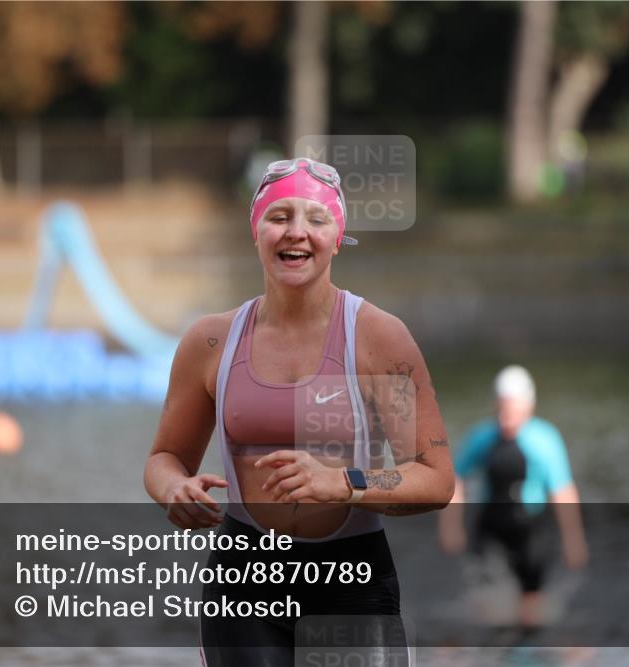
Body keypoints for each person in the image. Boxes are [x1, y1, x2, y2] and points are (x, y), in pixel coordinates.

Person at [144, 157, 455, 666]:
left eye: (316, 218)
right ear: (256, 231)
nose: (297, 232)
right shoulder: (211, 341)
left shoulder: (378, 338)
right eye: (279, 216)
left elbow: (436, 479)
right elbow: (164, 457)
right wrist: (172, 489)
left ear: (338, 237)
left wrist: (343, 483)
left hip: (351, 580)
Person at [438, 365, 587, 628]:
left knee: (530, 607)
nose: (507, 417)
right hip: (491, 525)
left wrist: (573, 539)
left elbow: (562, 490)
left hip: (529, 529)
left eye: (513, 408)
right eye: (503, 408)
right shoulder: (482, 437)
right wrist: (450, 525)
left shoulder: (544, 439)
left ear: (528, 406)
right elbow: (454, 479)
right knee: (484, 601)